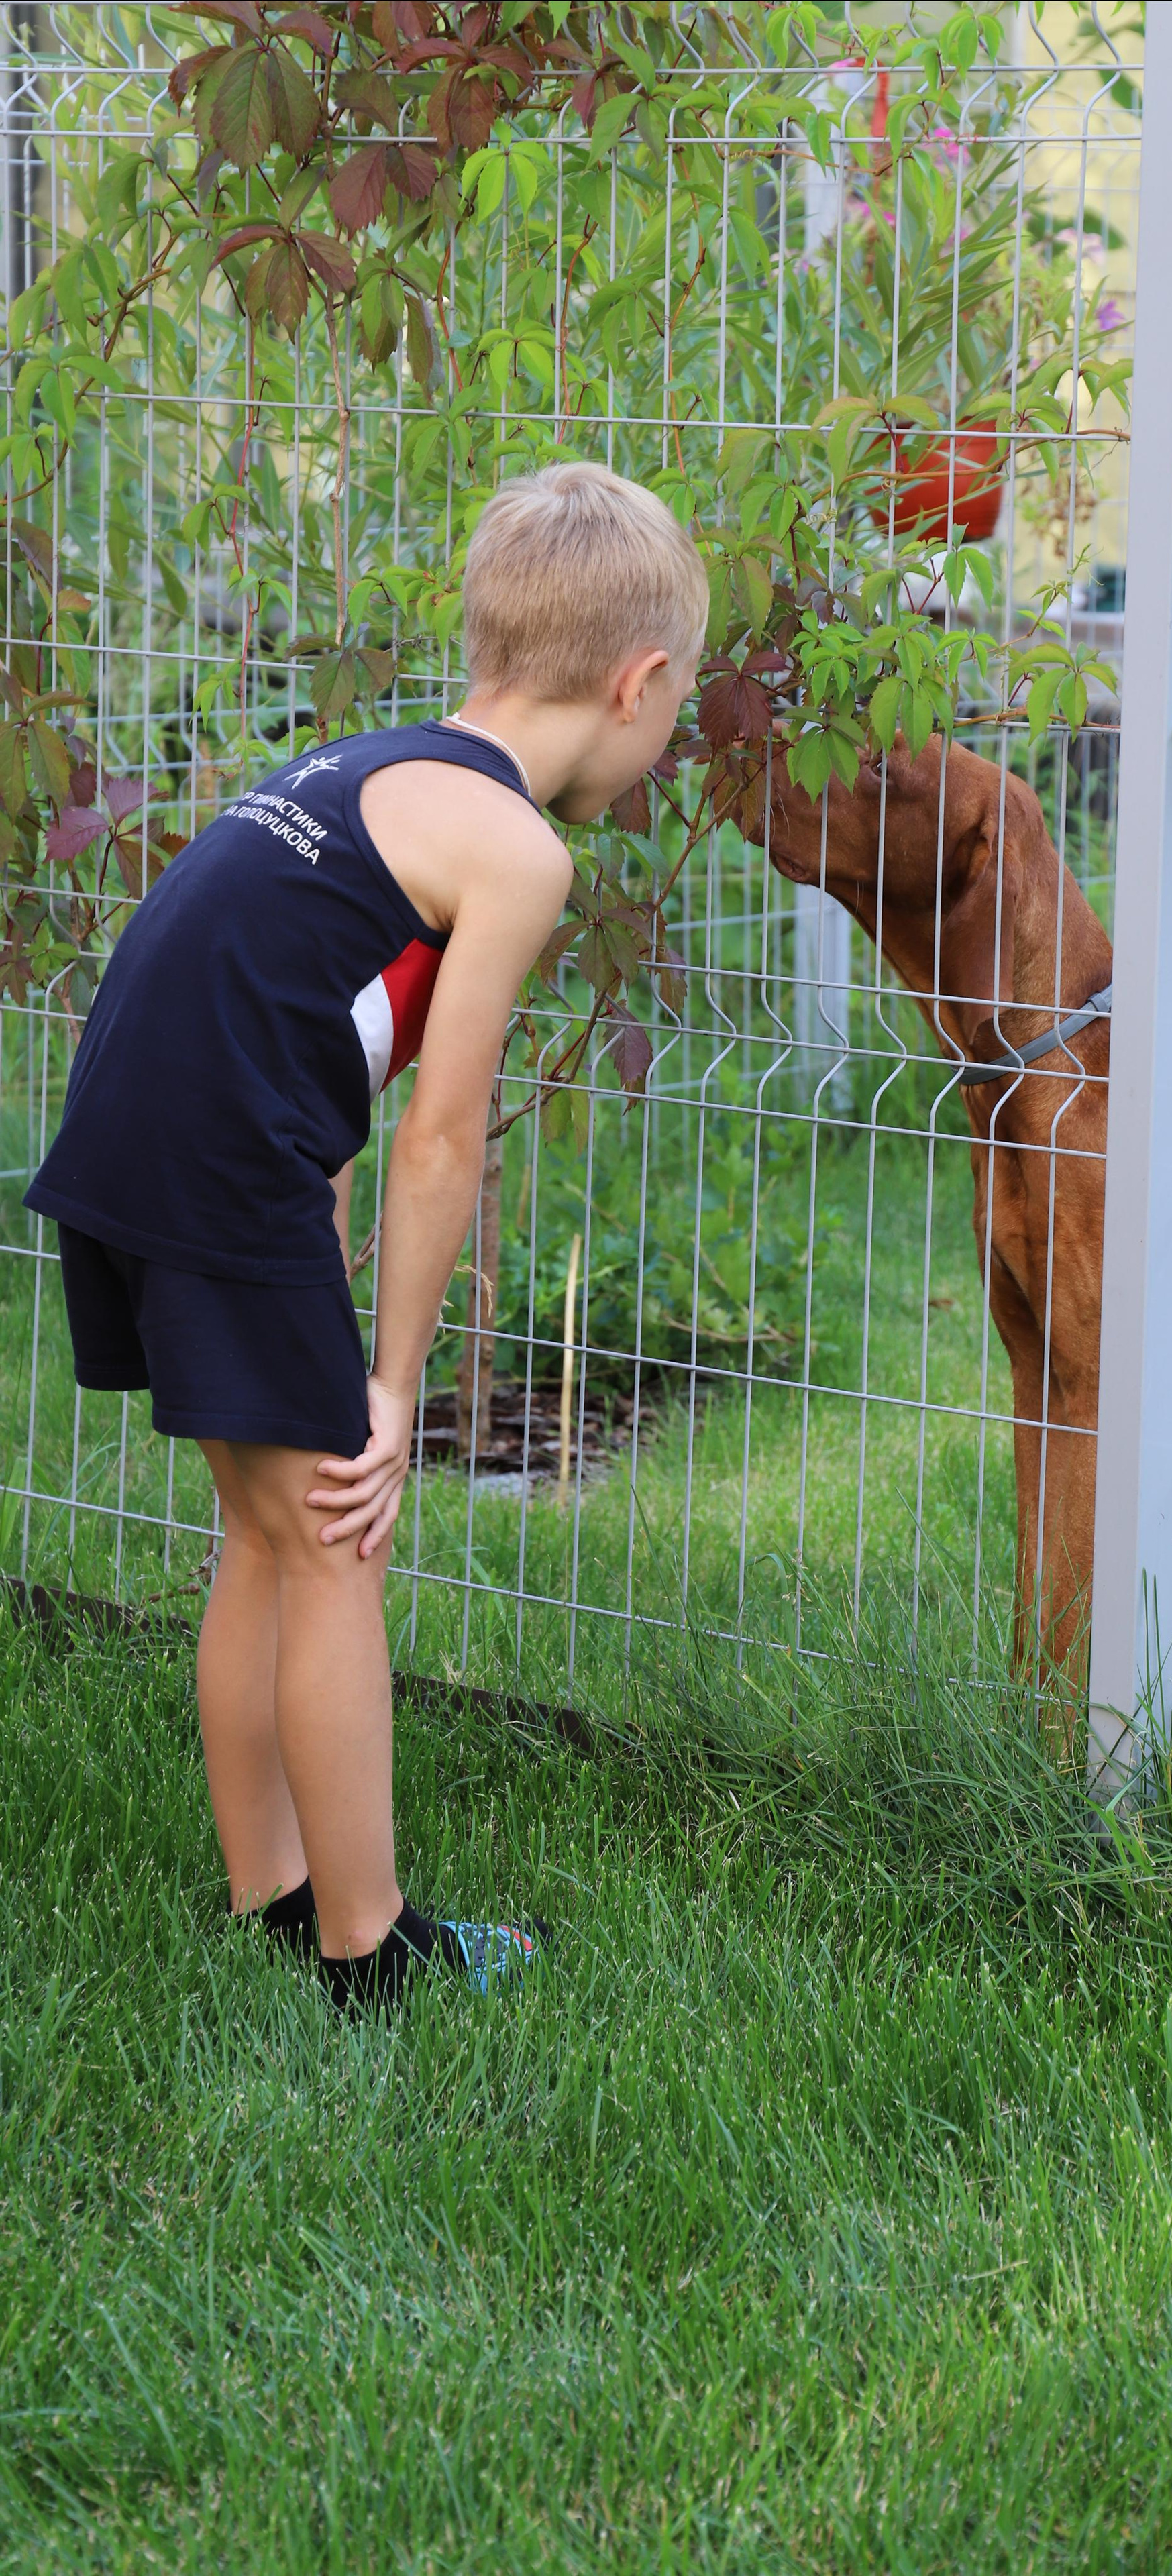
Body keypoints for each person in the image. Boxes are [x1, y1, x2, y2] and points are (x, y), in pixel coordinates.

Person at [25, 462, 707, 2007]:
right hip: (214, 1167)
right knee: (336, 1536)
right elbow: (444, 1134)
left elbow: (287, 998)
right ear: (640, 681)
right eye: (677, 707)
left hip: (128, 1139)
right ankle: (367, 1952)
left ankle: (273, 1892)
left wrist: (312, 1232)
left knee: (264, 1536)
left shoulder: (369, 769)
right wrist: (392, 1387)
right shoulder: (517, 852)